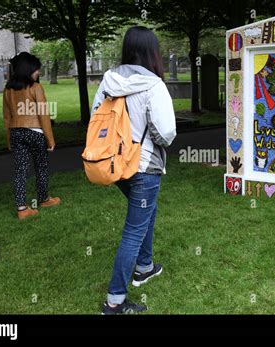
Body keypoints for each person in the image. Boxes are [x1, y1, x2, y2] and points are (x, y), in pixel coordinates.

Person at [91, 26, 176, 314]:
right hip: (144, 168)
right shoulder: (154, 86)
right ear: (152, 52)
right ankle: (114, 301)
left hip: (115, 165)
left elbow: (96, 119)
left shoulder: (107, 81)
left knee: (146, 212)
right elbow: (166, 134)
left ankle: (145, 266)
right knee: (134, 228)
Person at [3, 52, 60, 220]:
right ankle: (43, 199)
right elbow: (44, 115)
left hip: (15, 132)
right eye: (36, 70)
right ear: (28, 69)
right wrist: (51, 139)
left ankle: (22, 209)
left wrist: (9, 140)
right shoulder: (36, 88)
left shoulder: (8, 89)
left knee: (20, 170)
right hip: (35, 133)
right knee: (41, 166)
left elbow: (7, 116)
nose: (38, 73)